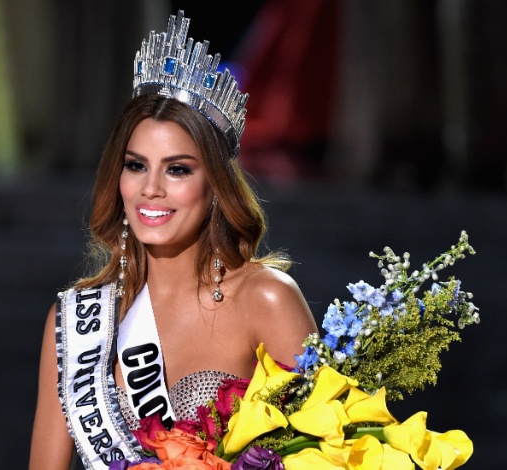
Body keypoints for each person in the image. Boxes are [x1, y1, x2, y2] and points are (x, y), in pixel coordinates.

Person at [29, 10, 318, 470]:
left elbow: (329, 451)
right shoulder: (77, 320)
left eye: (178, 169)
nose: (151, 188)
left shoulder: (266, 299)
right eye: (136, 165)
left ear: (216, 185)